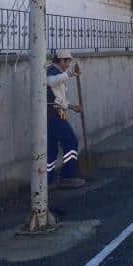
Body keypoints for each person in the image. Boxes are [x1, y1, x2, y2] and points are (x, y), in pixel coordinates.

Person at [46, 50, 86, 188]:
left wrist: (71, 106)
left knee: (51, 150)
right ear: (61, 60)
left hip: (53, 115)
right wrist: (70, 74)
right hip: (53, 116)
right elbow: (51, 82)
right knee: (71, 141)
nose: (68, 65)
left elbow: (57, 98)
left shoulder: (57, 73)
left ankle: (47, 181)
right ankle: (67, 177)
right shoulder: (51, 71)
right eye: (67, 62)